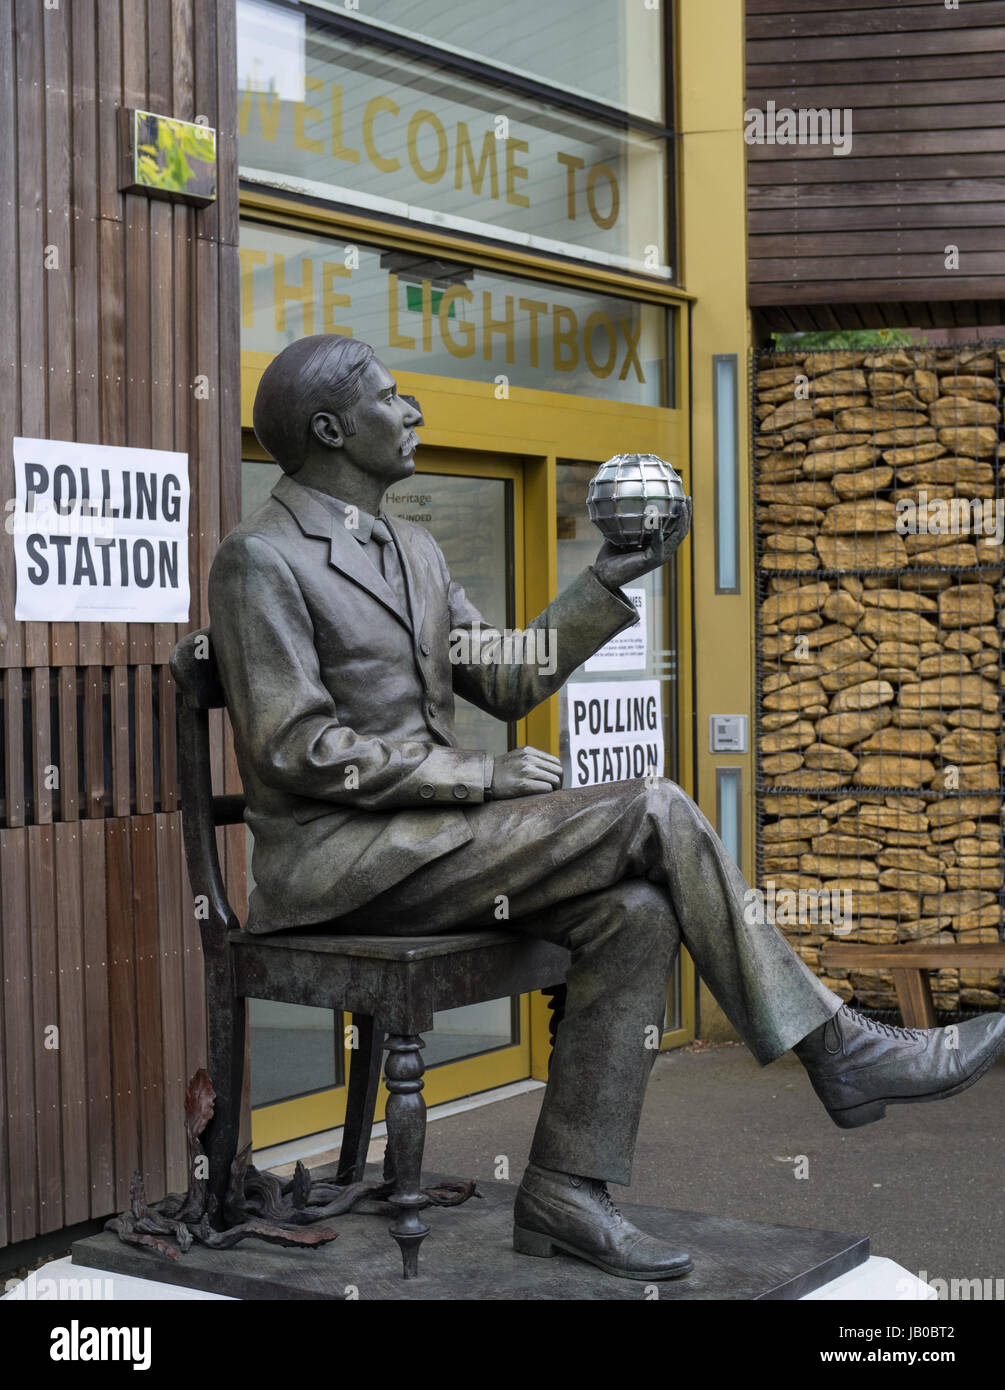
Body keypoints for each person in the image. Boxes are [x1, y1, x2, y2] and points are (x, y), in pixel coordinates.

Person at [208, 333, 1005, 1283]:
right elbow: (291, 748)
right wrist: (477, 779)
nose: (413, 412)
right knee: (652, 808)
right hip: (342, 869)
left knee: (635, 913)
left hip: (427, 850)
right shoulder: (257, 558)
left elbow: (505, 679)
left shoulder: (412, 549)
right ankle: (839, 1046)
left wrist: (607, 577)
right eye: (391, 398)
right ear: (332, 428)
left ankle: (563, 1194)